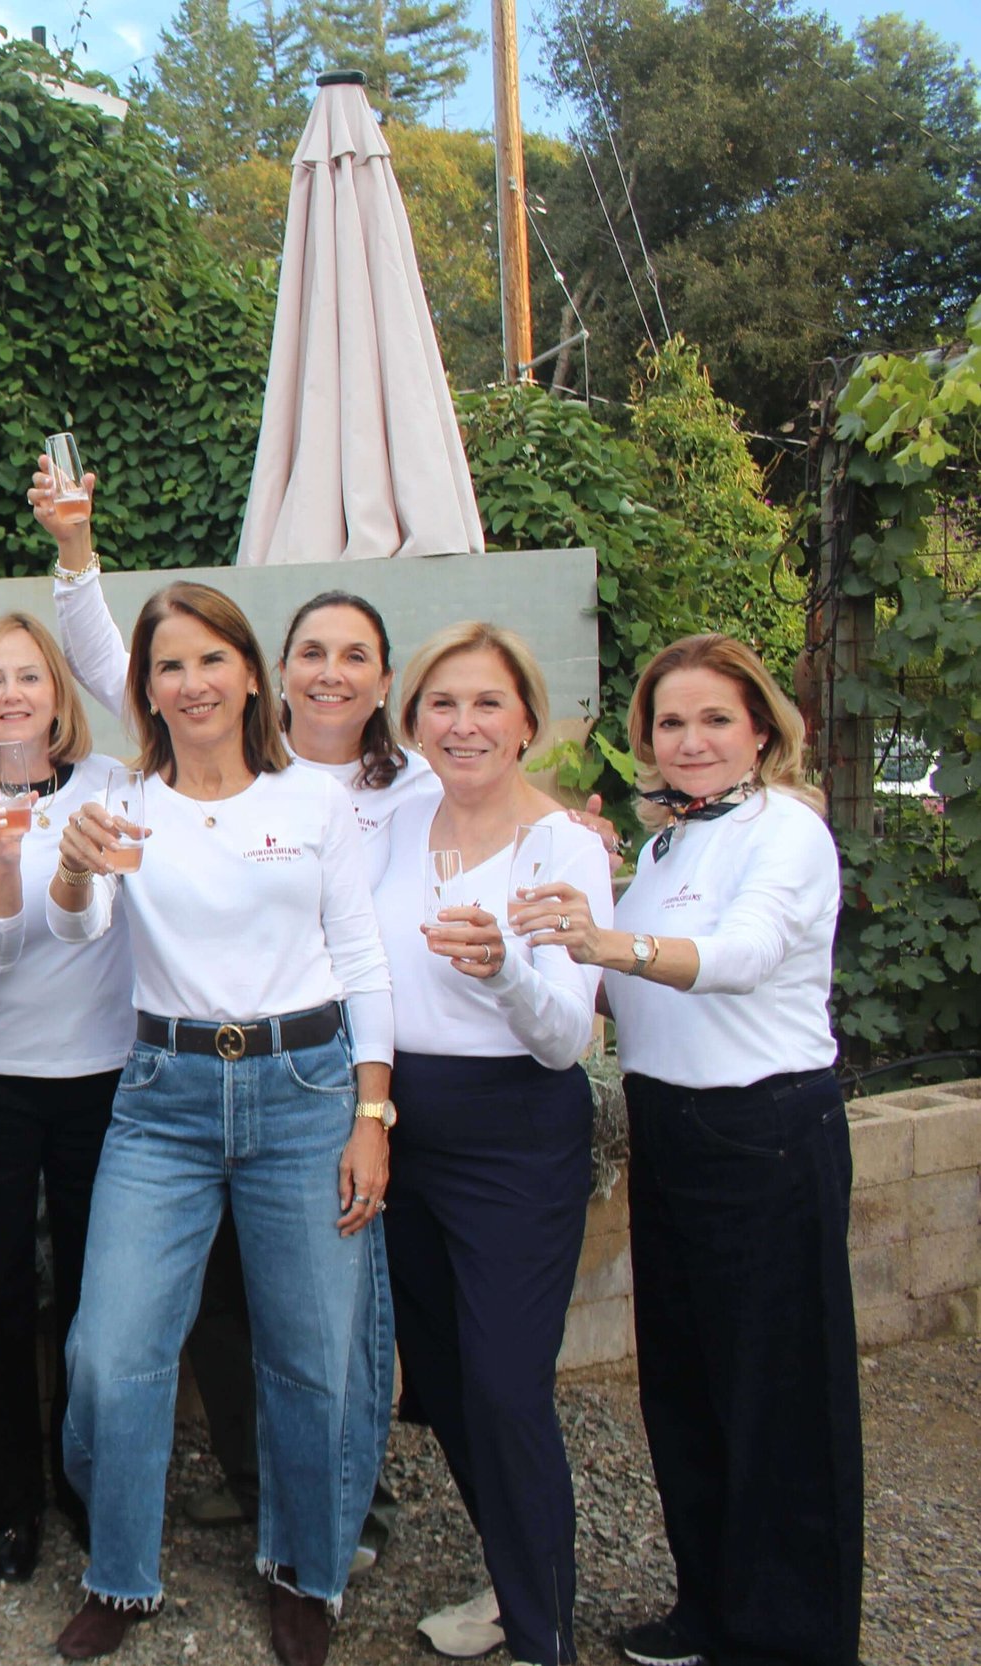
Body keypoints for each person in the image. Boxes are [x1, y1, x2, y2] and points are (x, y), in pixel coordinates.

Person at [45, 581, 394, 1666]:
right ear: (145, 689)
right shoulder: (125, 802)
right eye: (168, 665)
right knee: (110, 1350)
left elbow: (362, 960)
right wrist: (71, 866)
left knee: (313, 1355)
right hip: (166, 1096)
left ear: (251, 674)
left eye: (210, 660)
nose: (191, 682)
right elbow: (80, 928)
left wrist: (372, 1113)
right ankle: (120, 1572)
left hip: (307, 1088)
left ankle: (303, 1570)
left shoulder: (312, 802)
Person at [516, 634, 856, 1666]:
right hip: (671, 1126)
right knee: (686, 1381)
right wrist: (585, 882)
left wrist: (608, 942)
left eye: (715, 719)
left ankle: (789, 1639)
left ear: (761, 730)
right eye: (670, 722)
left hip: (766, 1131)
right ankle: (710, 1606)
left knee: (776, 1394)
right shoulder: (667, 844)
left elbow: (745, 955)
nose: (691, 740)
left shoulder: (785, 830)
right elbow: (623, 990)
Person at [371, 624, 612, 1665]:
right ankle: (514, 1582)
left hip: (516, 1130)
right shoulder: (395, 819)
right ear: (414, 720)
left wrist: (503, 970)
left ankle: (543, 1633)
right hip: (403, 1121)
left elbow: (564, 1039)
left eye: (486, 703)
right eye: (442, 702)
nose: (462, 724)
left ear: (525, 722)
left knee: (509, 1385)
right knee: (442, 1374)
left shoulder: (564, 847)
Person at [0, 613, 132, 1583]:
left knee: (98, 1294)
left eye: (30, 676)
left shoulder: (110, 785)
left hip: (102, 1072)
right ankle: (4, 1493)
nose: (12, 694)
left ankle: (89, 1482)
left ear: (59, 693)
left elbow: (93, 925)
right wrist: (1, 858)